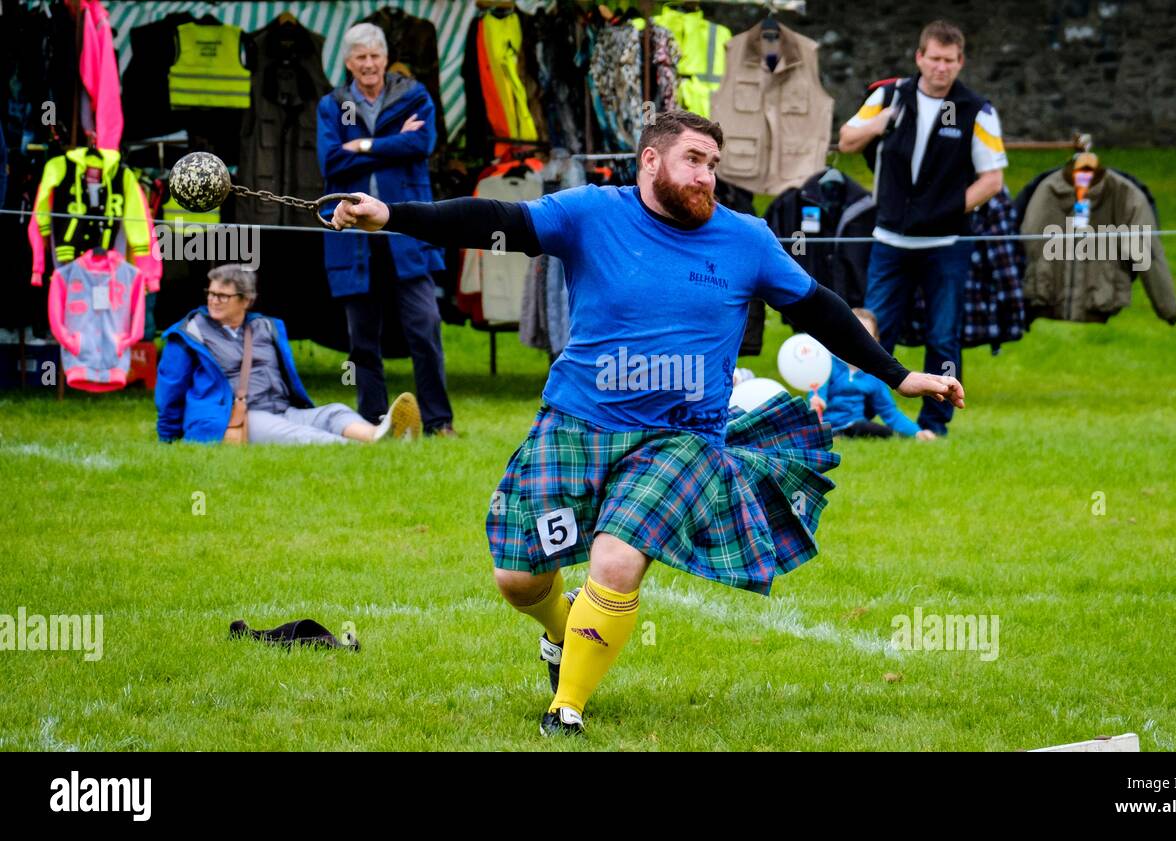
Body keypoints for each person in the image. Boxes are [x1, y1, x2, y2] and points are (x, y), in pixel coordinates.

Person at [330, 110, 965, 736]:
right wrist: (392, 215)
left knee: (616, 559)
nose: (707, 177)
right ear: (651, 161)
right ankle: (562, 630)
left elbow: (818, 308)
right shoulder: (591, 213)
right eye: (694, 160)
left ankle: (566, 710)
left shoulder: (746, 239)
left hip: (682, 436)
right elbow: (499, 219)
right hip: (578, 418)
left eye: (714, 165)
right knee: (518, 576)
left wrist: (899, 375)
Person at [838, 20, 1007, 437]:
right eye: (934, 58)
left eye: (950, 61)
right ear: (919, 58)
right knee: (873, 331)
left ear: (960, 62)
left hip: (946, 244)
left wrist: (948, 211)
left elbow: (992, 179)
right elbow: (846, 140)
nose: (941, 68)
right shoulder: (889, 95)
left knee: (943, 336)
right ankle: (866, 419)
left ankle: (936, 424)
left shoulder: (977, 110)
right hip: (890, 240)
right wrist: (880, 124)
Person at [317, 23, 455, 437]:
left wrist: (360, 145)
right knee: (361, 338)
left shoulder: (413, 95)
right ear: (348, 63)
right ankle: (373, 421)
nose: (369, 64)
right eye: (360, 57)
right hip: (354, 236)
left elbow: (421, 145)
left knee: (425, 326)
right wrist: (389, 145)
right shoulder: (333, 104)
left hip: (405, 229)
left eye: (375, 56)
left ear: (385, 57)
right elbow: (330, 163)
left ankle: (438, 421)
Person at [156, 264, 421, 445]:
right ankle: (360, 451)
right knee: (299, 435)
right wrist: (167, 437)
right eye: (211, 294)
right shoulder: (189, 334)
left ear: (246, 300)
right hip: (234, 416)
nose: (214, 300)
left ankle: (377, 435)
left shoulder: (265, 327)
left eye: (223, 296)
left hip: (281, 408)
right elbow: (170, 389)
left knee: (333, 412)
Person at [811, 309, 939, 441]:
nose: (857, 340)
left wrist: (917, 433)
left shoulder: (875, 375)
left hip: (856, 426)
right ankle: (832, 435)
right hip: (823, 426)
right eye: (852, 333)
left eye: (865, 336)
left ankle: (841, 435)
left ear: (874, 342)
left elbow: (889, 412)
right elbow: (817, 393)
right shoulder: (827, 365)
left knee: (872, 429)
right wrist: (816, 403)